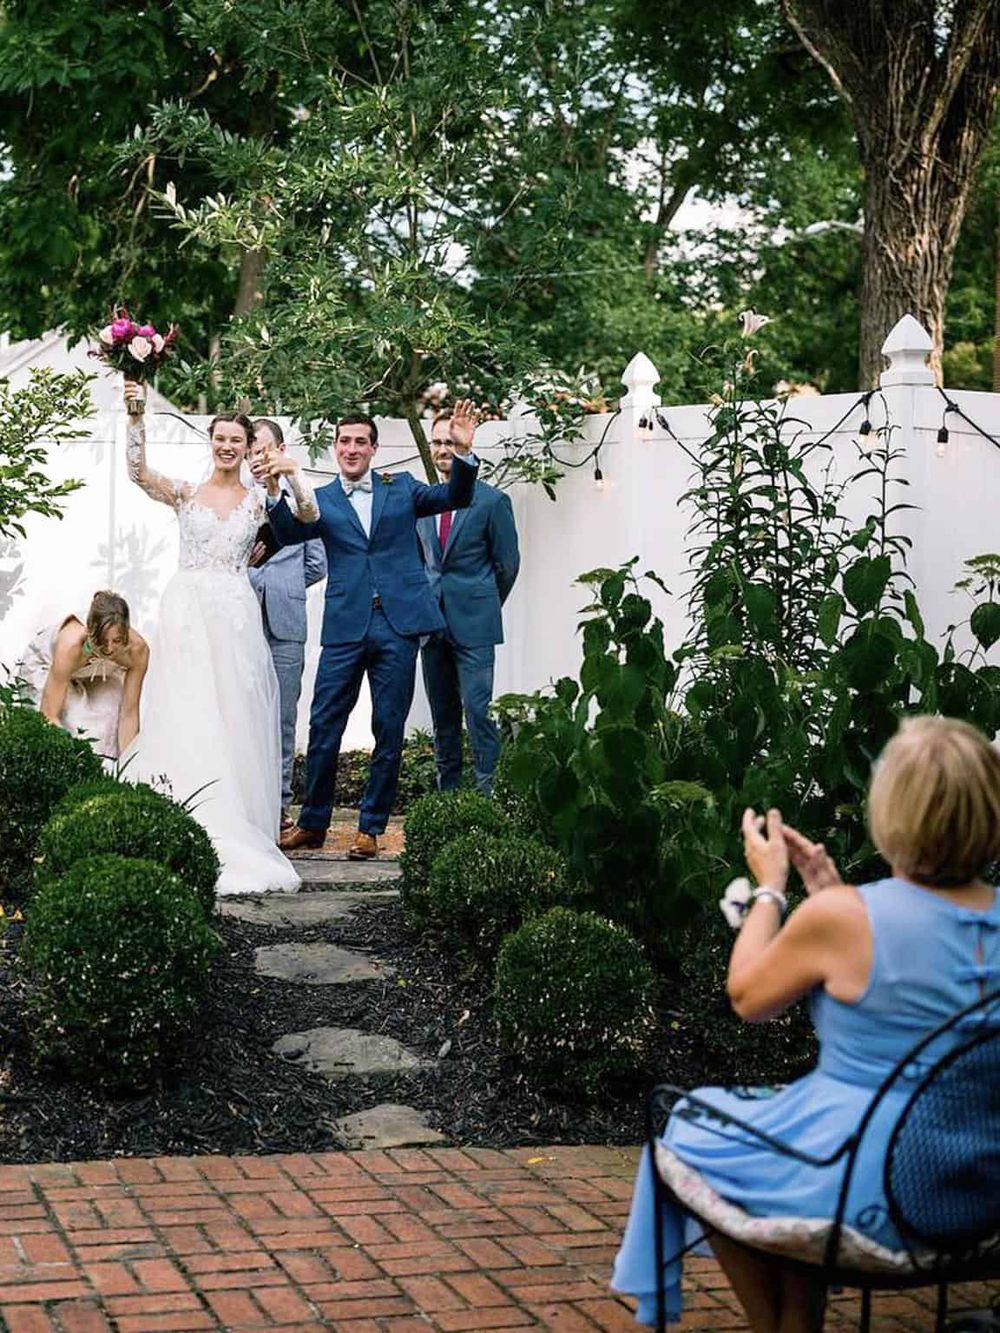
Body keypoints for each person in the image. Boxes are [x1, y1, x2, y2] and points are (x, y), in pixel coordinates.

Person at [612, 714, 1000, 1331]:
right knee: (786, 1142)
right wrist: (834, 895)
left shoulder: (848, 919)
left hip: (870, 1196)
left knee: (688, 1127)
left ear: (892, 809)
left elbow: (749, 998)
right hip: (978, 1197)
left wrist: (770, 889)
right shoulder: (852, 914)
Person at [118, 379, 318, 896]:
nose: (227, 446)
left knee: (232, 712)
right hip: (186, 611)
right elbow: (138, 474)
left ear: (248, 447)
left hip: (234, 614)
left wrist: (292, 472)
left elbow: (309, 516)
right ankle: (179, 815)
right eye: (220, 438)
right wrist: (136, 416)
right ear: (211, 442)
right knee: (186, 707)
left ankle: (232, 821)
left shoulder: (259, 501)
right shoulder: (186, 492)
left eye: (237, 440)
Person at [267, 403, 480, 860]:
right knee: (324, 724)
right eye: (345, 441)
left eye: (360, 441)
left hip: (397, 626)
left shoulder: (401, 487)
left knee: (389, 726)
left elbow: (456, 498)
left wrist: (462, 453)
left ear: (374, 448)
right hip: (345, 625)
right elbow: (285, 534)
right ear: (335, 447)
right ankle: (313, 822)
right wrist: (275, 488)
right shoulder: (320, 498)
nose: (352, 449)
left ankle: (370, 827)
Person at [417, 409, 519, 795]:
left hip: (475, 625)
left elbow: (507, 565)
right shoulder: (423, 501)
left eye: (450, 442)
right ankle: (448, 798)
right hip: (432, 626)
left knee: (479, 712)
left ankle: (487, 797)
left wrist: (483, 603)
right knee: (442, 718)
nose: (443, 449)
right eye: (437, 442)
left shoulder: (492, 501)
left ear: (464, 444)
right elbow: (420, 562)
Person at [247, 419, 327, 830]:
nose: (258, 458)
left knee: (282, 718)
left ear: (280, 450)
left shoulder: (301, 499)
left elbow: (317, 565)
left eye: (264, 450)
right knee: (243, 712)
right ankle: (245, 801)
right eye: (252, 451)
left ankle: (278, 805)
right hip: (241, 619)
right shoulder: (236, 497)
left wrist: (286, 587)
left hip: (287, 623)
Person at [17, 590, 149, 761]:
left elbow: (129, 713)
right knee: (71, 721)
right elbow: (49, 713)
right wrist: (69, 758)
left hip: (97, 674)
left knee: (108, 723)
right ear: (90, 631)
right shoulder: (71, 644)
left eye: (117, 640)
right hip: (46, 668)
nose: (109, 649)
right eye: (102, 641)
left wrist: (129, 764)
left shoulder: (137, 651)